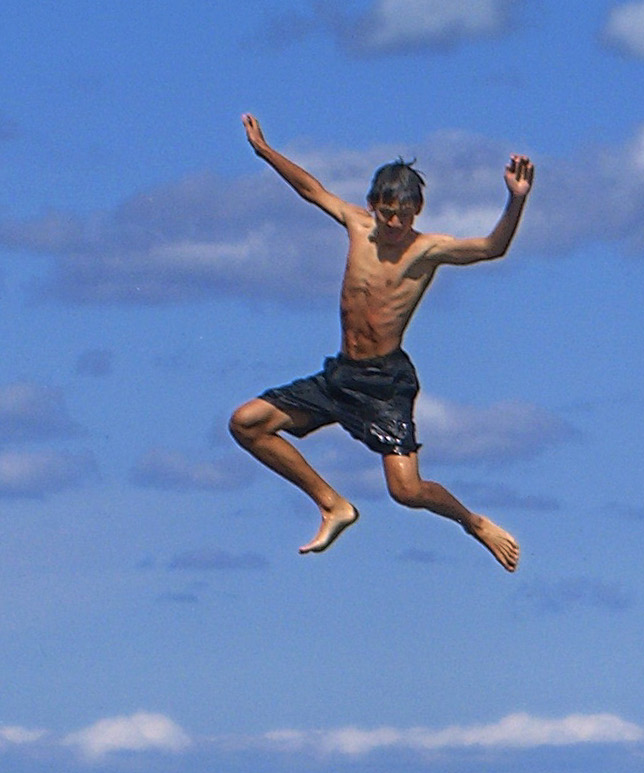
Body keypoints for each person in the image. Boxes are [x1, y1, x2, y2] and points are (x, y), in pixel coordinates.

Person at [228, 115, 533, 570]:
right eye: (386, 212)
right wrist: (265, 151)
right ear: (372, 204)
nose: (392, 222)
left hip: (386, 383)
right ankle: (332, 504)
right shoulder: (357, 225)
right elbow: (311, 189)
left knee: (406, 491)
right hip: (341, 375)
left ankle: (473, 522)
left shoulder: (427, 250)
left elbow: (492, 248)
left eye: (402, 215)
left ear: (418, 211)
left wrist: (515, 200)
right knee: (246, 423)